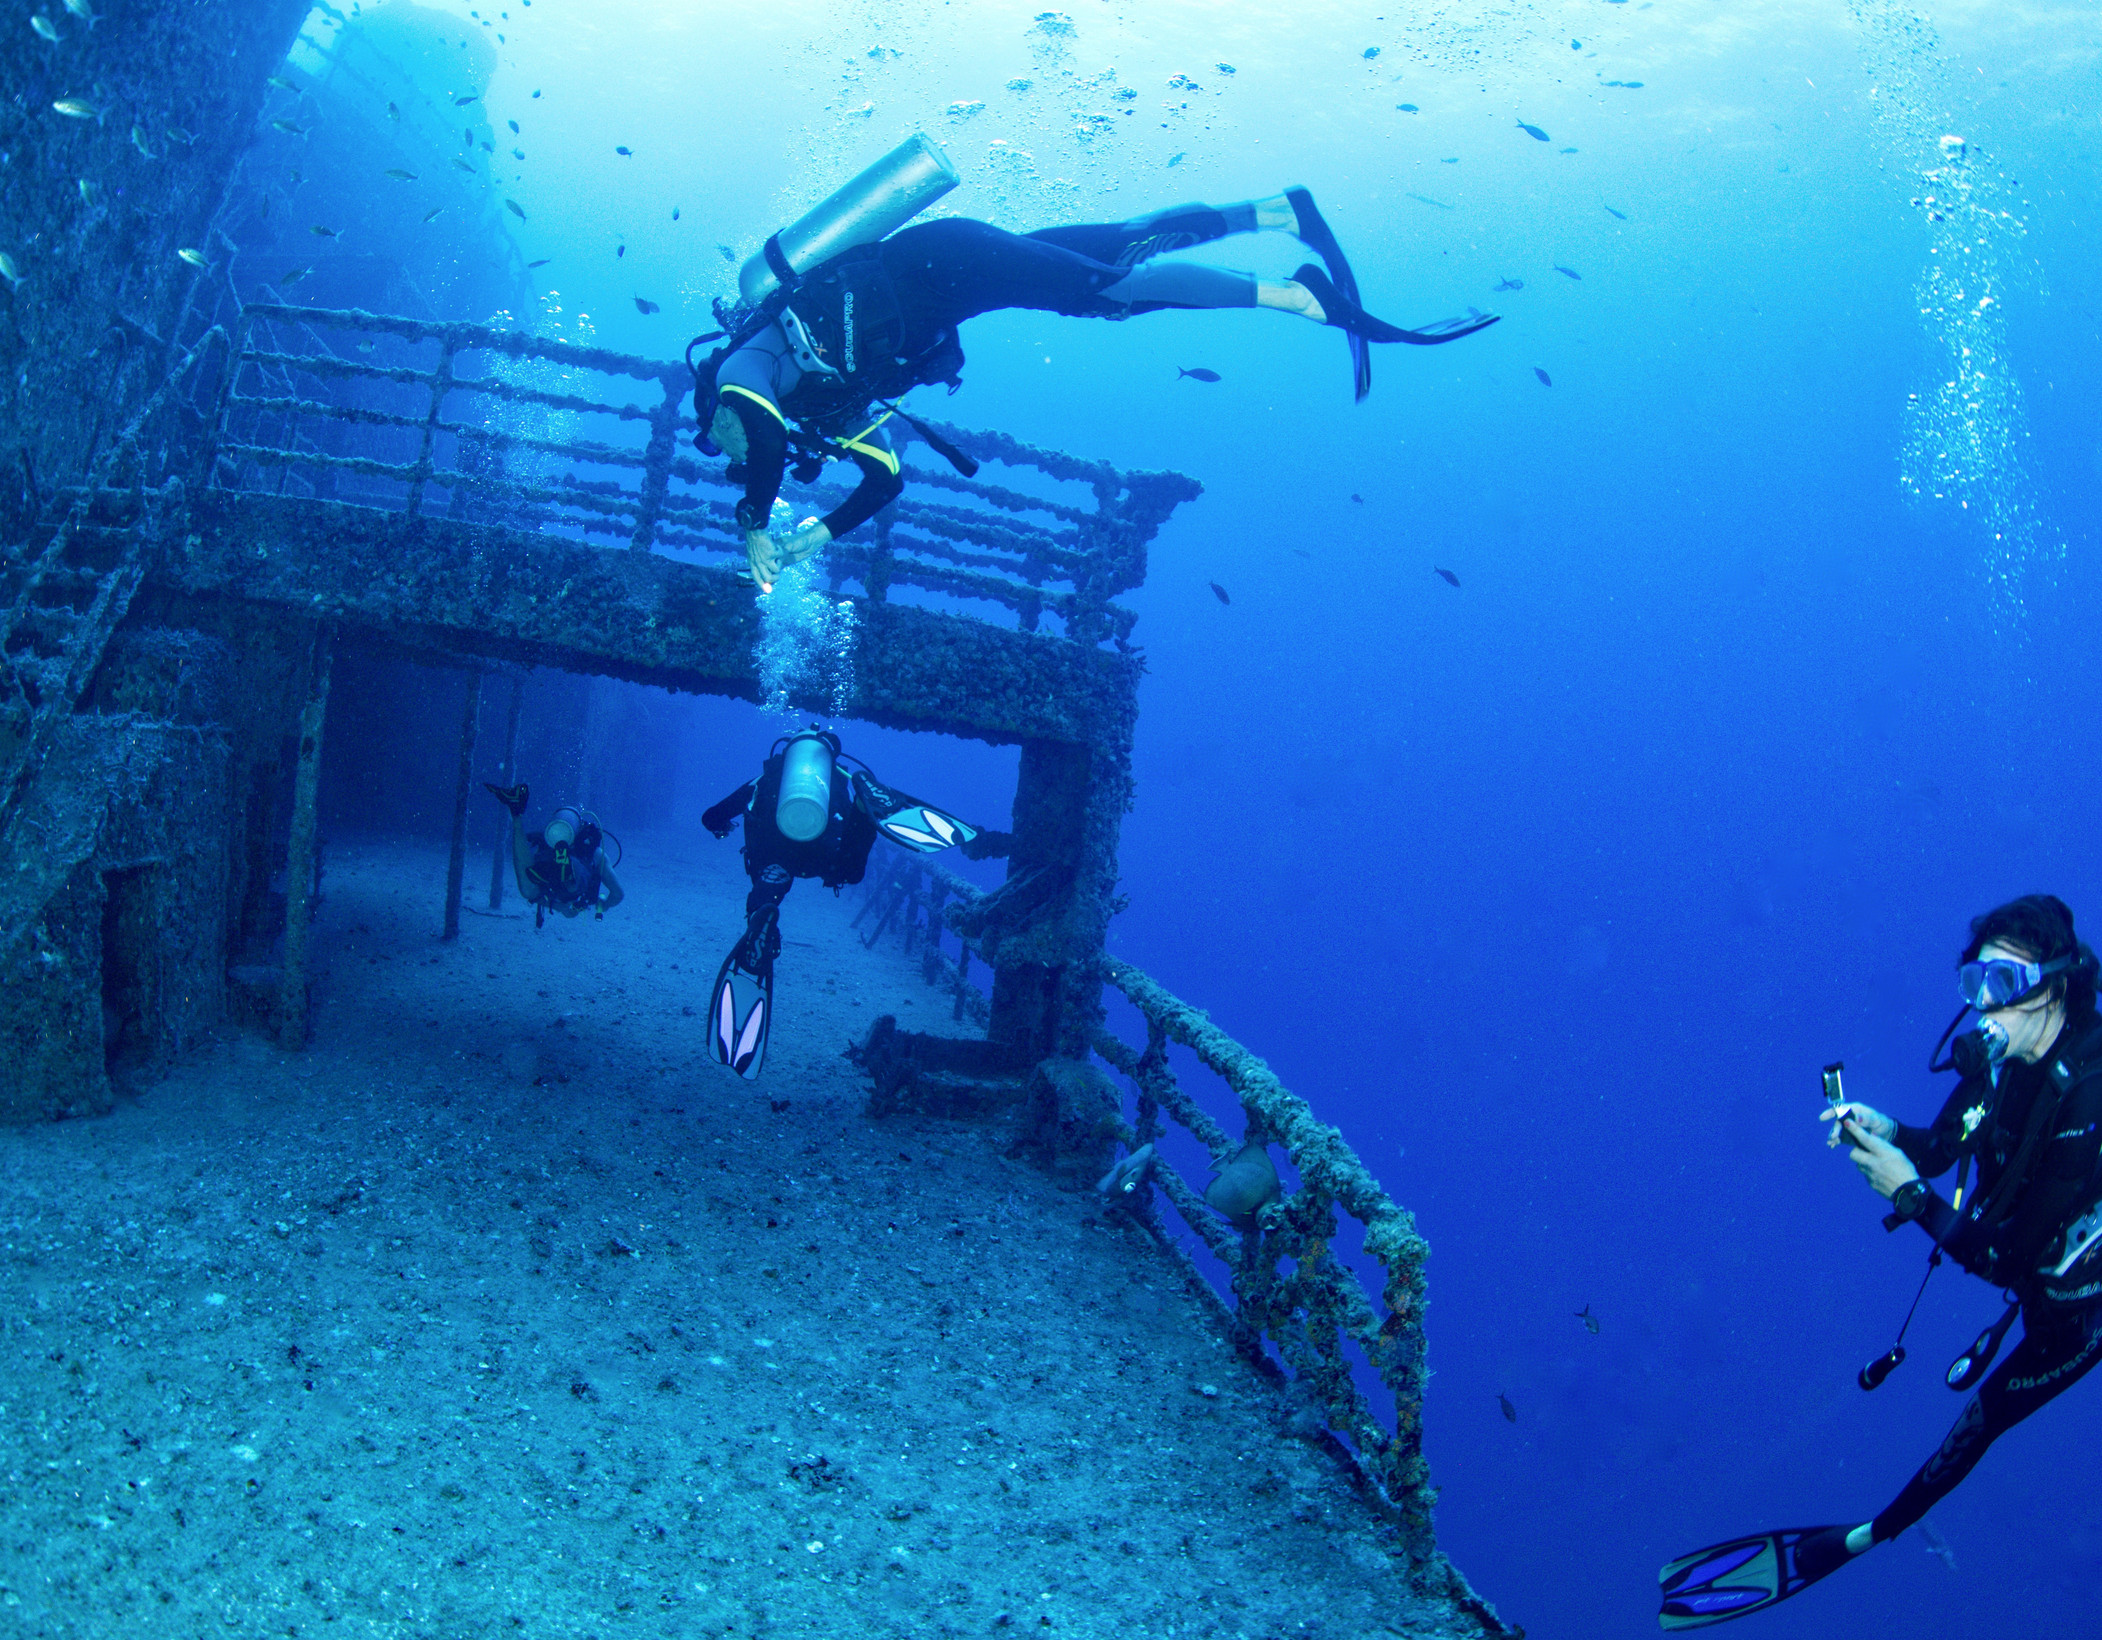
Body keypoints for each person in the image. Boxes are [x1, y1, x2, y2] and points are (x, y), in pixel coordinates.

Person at [1658, 894, 2102, 1629]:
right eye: (1974, 982)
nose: (1984, 1004)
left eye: (2004, 982)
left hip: (2078, 1312)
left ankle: (1865, 1537)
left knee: (1975, 1429)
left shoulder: (2090, 1095)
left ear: (2055, 984)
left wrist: (1911, 1197)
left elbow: (2007, 1259)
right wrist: (1885, 1130)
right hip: (2025, 1273)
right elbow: (1942, 1147)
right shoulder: (2003, 1061)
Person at [697, 190, 1499, 591]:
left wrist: (754, 523)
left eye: (719, 434)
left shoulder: (745, 369)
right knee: (1119, 249)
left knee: (1107, 293)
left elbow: (758, 435)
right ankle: (1278, 213)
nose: (730, 442)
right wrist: (820, 533)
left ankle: (1300, 298)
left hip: (941, 259)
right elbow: (885, 478)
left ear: (715, 405)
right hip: (959, 279)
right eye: (727, 453)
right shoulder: (822, 409)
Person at [699, 728, 1006, 1079]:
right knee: (849, 870)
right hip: (820, 853)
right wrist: (857, 808)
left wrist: (721, 826)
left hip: (776, 851)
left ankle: (761, 913)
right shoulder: (836, 776)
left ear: (787, 751)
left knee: (769, 881)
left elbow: (712, 816)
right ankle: (864, 808)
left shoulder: (768, 777)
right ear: (831, 755)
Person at [483, 782, 625, 929]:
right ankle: (567, 872)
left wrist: (560, 907)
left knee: (529, 889)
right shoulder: (596, 853)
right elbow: (618, 894)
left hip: (548, 862)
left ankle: (516, 814)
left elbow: (539, 897)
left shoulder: (547, 842)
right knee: (571, 889)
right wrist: (605, 905)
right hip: (570, 875)